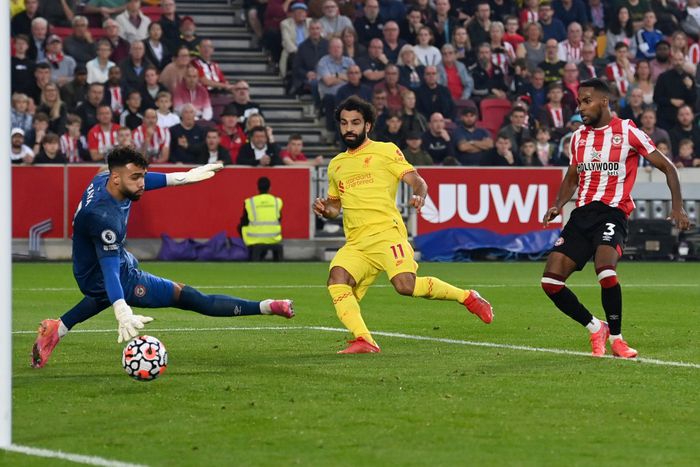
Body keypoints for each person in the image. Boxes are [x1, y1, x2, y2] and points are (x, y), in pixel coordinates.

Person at [30, 148, 295, 369]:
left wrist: (186, 177)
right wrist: (122, 311)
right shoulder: (104, 218)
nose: (142, 183)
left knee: (111, 288)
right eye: (136, 178)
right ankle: (266, 306)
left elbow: (154, 180)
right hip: (103, 274)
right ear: (116, 179)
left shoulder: (104, 179)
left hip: (111, 261)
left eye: (142, 176)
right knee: (189, 297)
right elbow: (110, 272)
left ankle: (58, 328)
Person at [313, 96, 493, 354]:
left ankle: (468, 297)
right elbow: (335, 206)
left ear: (367, 126)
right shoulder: (336, 165)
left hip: (387, 234)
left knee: (405, 286)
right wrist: (325, 210)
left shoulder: (386, 151)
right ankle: (364, 339)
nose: (349, 128)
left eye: (355, 122)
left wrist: (419, 195)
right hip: (357, 243)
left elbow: (417, 180)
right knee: (337, 278)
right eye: (344, 123)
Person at [541, 78, 690, 359]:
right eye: (579, 102)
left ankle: (617, 339)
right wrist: (557, 205)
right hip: (581, 215)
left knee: (606, 270)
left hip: (613, 212)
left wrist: (678, 207)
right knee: (551, 283)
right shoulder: (578, 137)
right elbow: (572, 177)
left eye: (587, 101)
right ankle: (596, 327)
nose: (581, 108)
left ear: (604, 101)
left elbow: (668, 167)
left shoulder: (628, 131)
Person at [239, 176, 284, 262]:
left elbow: (244, 221)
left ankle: (251, 254)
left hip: (254, 238)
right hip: (273, 237)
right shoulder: (277, 201)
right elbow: (279, 219)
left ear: (257, 188)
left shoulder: (250, 202)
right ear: (270, 188)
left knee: (241, 226)